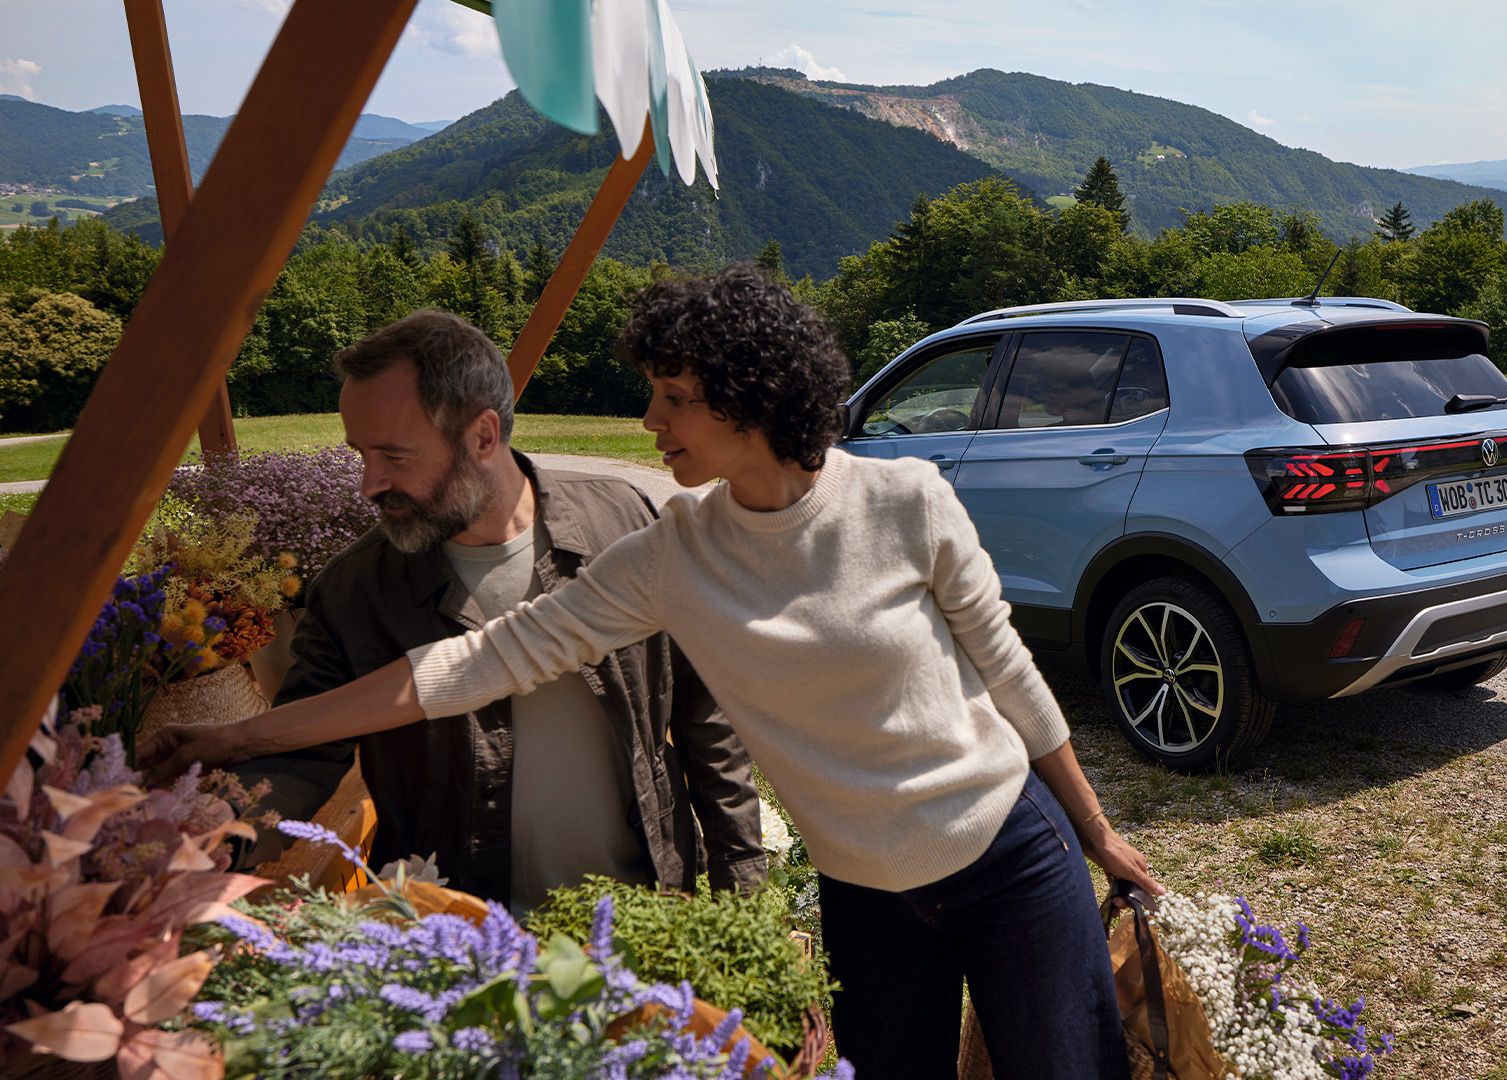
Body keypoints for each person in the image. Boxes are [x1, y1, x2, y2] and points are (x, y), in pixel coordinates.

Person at [146, 268, 1162, 1079]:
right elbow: (468, 664)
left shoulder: (907, 500)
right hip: (866, 901)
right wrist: (237, 737)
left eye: (674, 398)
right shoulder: (671, 556)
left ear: (753, 398)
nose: (650, 421)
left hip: (1008, 858)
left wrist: (1097, 831)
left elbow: (1011, 675)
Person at [227, 310, 766, 912]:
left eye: (394, 456)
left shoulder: (624, 522)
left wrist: (740, 880)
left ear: (483, 436)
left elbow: (704, 710)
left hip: (646, 917)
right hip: (459, 942)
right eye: (360, 454)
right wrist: (218, 837)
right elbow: (297, 747)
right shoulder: (355, 589)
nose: (368, 484)